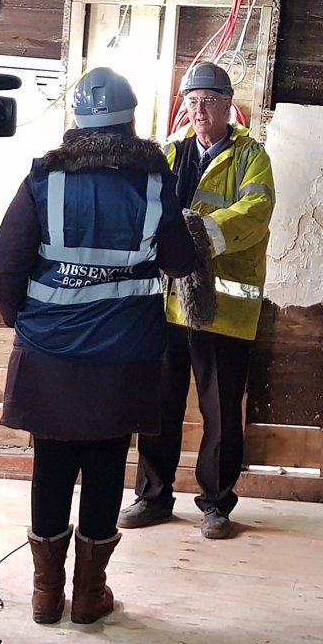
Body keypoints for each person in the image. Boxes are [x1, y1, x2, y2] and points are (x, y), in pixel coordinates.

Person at [0, 67, 200, 625]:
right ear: (130, 123)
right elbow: (182, 261)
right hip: (125, 355)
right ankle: (88, 597)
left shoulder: (44, 179)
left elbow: (6, 261)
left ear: (76, 122)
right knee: (108, 466)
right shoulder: (156, 183)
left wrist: (26, 323)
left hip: (49, 353)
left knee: (51, 465)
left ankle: (44, 596)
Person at [118, 61, 275, 541]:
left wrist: (200, 233)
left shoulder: (252, 157)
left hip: (225, 314)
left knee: (222, 414)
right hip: (164, 306)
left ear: (229, 105)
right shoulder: (167, 153)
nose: (199, 109)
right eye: (192, 101)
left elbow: (256, 212)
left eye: (209, 101)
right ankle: (152, 495)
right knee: (158, 406)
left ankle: (216, 504)